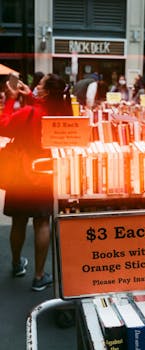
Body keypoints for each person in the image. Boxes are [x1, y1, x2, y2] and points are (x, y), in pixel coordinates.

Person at [0, 73, 72, 291]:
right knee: (42, 222)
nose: (34, 87)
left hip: (20, 175)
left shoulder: (29, 112)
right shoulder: (59, 113)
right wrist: (29, 97)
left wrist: (11, 99)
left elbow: (3, 126)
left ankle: (16, 264)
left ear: (46, 92)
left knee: (19, 222)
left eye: (38, 85)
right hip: (45, 173)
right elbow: (41, 112)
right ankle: (39, 276)